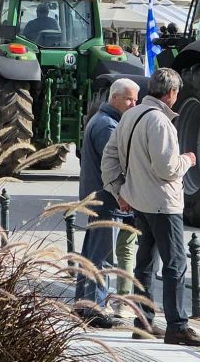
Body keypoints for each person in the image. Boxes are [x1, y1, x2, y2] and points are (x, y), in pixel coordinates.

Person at [101, 68, 200, 348]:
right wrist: (187, 160)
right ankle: (177, 326)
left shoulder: (130, 116)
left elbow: (109, 159)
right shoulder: (160, 121)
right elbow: (167, 168)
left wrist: (119, 190)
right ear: (172, 93)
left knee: (146, 264)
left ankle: (143, 323)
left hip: (140, 202)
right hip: (163, 203)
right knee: (175, 264)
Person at [74, 78, 140, 328]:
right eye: (129, 99)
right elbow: (114, 164)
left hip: (98, 197)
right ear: (115, 98)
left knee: (92, 254)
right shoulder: (107, 126)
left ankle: (84, 304)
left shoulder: (105, 121)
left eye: (136, 99)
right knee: (102, 256)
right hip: (106, 199)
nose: (133, 104)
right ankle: (96, 308)